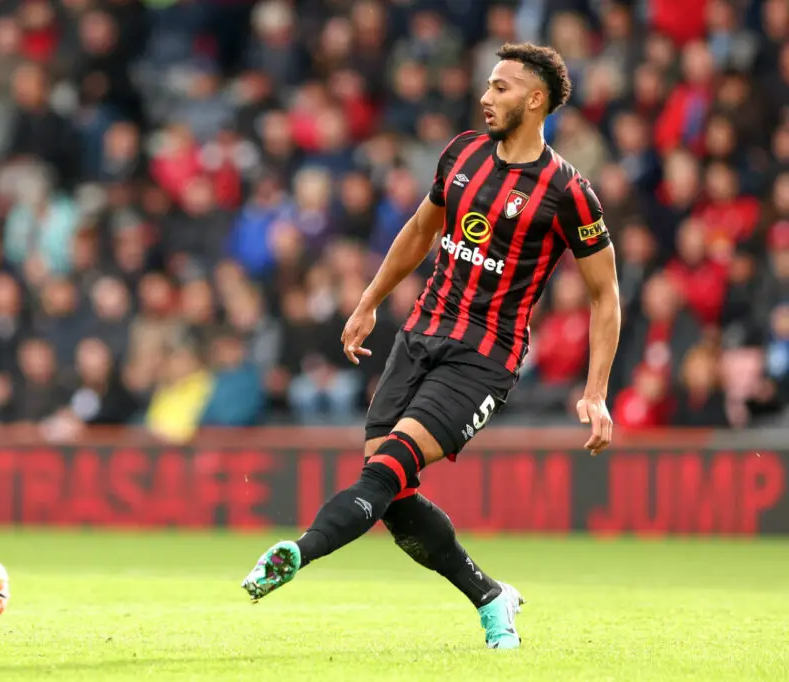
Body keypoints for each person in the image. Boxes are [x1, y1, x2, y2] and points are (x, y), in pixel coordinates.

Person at [240, 43, 621, 650]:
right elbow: (422, 229)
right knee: (390, 494)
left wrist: (596, 392)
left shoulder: (568, 191)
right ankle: (490, 596)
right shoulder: (462, 153)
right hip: (418, 337)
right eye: (488, 85)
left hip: (484, 358)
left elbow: (605, 295)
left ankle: (299, 551)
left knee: (386, 469)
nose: (485, 97)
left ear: (535, 99)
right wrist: (369, 300)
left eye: (500, 88)